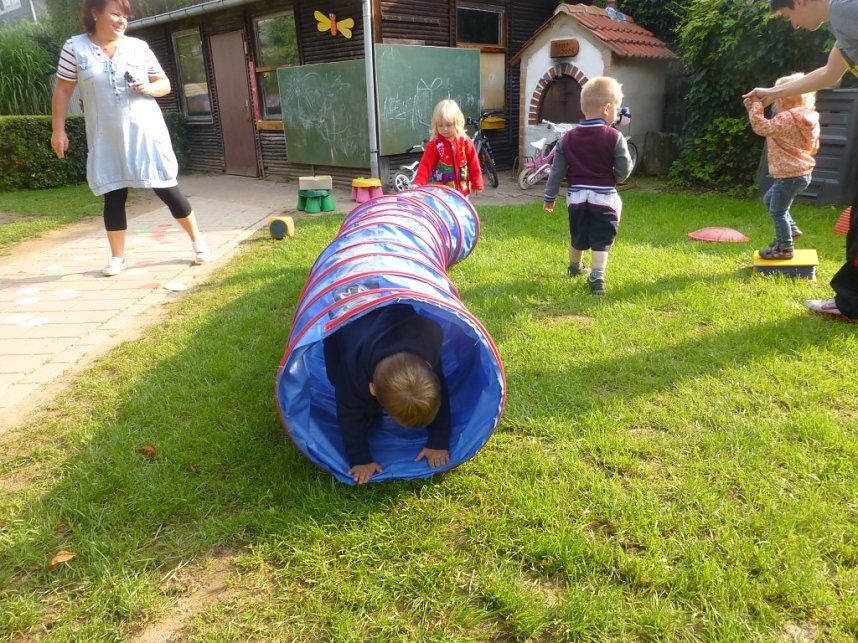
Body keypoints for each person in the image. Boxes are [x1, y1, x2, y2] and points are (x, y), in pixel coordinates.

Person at [51, 0, 210, 278]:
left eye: (125, 16)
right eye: (115, 13)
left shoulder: (138, 47)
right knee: (113, 195)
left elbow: (164, 84)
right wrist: (58, 130)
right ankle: (117, 258)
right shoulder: (75, 47)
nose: (122, 21)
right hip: (106, 138)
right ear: (95, 13)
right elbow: (63, 90)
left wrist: (148, 86)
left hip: (145, 133)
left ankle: (198, 243)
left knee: (167, 189)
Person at [744, 0, 858, 322]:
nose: (794, 25)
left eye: (789, 15)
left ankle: (851, 302)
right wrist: (771, 93)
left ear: (801, 1)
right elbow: (829, 74)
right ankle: (851, 301)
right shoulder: (843, 29)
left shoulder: (847, 10)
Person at [323, 304, 451, 484]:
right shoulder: (354, 374)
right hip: (348, 320)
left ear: (429, 367)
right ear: (372, 389)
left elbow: (440, 395)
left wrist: (438, 442)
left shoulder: (428, 342)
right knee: (341, 384)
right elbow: (348, 416)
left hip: (396, 313)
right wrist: (361, 459)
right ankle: (369, 408)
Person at [543, 76, 632, 295]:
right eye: (616, 109)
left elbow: (557, 171)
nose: (616, 114)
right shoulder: (614, 136)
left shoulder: (567, 138)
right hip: (604, 198)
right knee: (601, 237)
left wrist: (550, 197)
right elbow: (624, 168)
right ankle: (597, 276)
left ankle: (575, 267)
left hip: (576, 198)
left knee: (578, 233)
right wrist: (616, 177)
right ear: (607, 108)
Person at [744, 73, 820, 260]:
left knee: (777, 211)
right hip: (800, 174)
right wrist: (755, 108)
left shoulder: (787, 118)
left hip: (790, 176)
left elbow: (763, 128)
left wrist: (756, 107)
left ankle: (785, 248)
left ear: (783, 101)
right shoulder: (807, 116)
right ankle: (790, 229)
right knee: (769, 200)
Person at [412, 99, 484, 197]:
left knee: (461, 207)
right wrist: (418, 182)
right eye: (440, 125)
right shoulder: (434, 145)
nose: (444, 129)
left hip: (462, 191)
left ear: (457, 122)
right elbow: (425, 166)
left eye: (448, 125)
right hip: (442, 192)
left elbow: (473, 162)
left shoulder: (464, 141)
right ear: (435, 125)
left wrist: (477, 182)